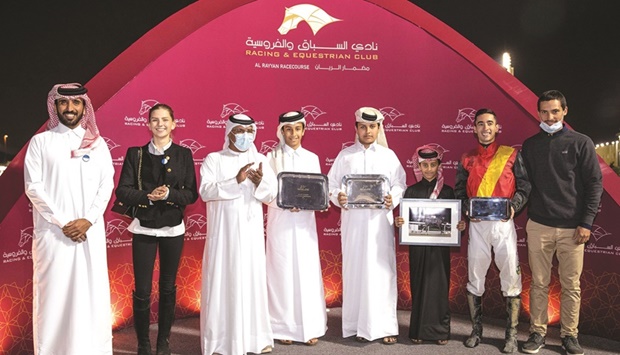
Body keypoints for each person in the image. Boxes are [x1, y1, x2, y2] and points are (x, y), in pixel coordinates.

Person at [24, 83, 115, 354]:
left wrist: (86, 220)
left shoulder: (97, 144)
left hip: (89, 232)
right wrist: (64, 222)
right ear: (55, 106)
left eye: (76, 103)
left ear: (85, 107)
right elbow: (33, 187)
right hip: (54, 235)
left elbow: (106, 185)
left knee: (90, 295)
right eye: (63, 103)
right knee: (54, 297)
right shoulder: (40, 142)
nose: (70, 108)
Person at [521, 90, 603, 355]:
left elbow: (594, 184)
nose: (550, 116)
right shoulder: (530, 145)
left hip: (573, 228)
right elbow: (525, 184)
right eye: (544, 111)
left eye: (555, 111)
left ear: (565, 111)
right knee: (538, 283)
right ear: (538, 113)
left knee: (571, 285)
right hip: (539, 225)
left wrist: (586, 223)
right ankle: (537, 333)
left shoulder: (582, 142)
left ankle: (569, 336)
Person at [115, 103, 198, 355]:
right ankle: (143, 343)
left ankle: (163, 342)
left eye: (165, 119)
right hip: (144, 228)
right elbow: (122, 191)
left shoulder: (184, 154)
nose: (160, 124)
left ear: (174, 124)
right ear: (148, 124)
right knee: (142, 289)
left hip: (173, 228)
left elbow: (192, 194)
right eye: (154, 120)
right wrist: (149, 197)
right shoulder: (135, 154)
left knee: (168, 287)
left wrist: (170, 193)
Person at [327, 107, 406, 345]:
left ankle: (384, 326)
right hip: (353, 226)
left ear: (378, 128)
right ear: (356, 129)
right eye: (363, 127)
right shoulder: (345, 156)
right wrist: (338, 196)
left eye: (372, 127)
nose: (368, 131)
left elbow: (400, 183)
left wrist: (394, 197)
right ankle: (355, 325)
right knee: (356, 272)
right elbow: (331, 185)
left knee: (382, 273)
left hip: (380, 225)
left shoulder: (388, 156)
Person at [199, 113, 277, 355]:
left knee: (252, 281)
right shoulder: (214, 159)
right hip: (223, 237)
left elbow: (271, 195)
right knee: (224, 282)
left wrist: (259, 182)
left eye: (249, 132)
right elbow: (205, 191)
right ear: (229, 133)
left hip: (251, 234)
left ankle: (256, 339)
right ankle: (221, 342)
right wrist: (237, 180)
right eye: (240, 132)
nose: (245, 137)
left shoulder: (261, 159)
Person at [454, 108, 531, 353]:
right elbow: (458, 191)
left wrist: (514, 207)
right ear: (474, 128)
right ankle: (476, 331)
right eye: (480, 124)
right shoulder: (466, 157)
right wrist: (467, 209)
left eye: (489, 123)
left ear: (497, 127)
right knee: (475, 277)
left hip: (503, 225)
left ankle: (510, 336)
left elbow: (525, 187)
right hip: (477, 227)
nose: (485, 128)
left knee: (511, 276)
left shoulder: (511, 155)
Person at [265, 111, 328, 346]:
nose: (293, 134)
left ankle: (310, 327)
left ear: (304, 130)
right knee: (281, 273)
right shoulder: (270, 157)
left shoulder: (312, 158)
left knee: (306, 273)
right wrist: (283, 202)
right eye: (288, 129)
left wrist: (311, 203)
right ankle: (282, 328)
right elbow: (266, 192)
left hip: (304, 225)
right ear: (281, 131)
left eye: (297, 129)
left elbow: (317, 190)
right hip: (280, 223)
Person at [394, 144, 466, 345]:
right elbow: (406, 222)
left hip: (440, 249)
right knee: (419, 285)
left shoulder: (448, 192)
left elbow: (455, 222)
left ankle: (440, 332)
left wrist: (459, 226)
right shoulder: (411, 191)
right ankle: (417, 330)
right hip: (418, 249)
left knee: (439, 287)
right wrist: (400, 223)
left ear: (439, 165)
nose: (429, 169)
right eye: (424, 165)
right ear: (418, 166)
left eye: (433, 165)